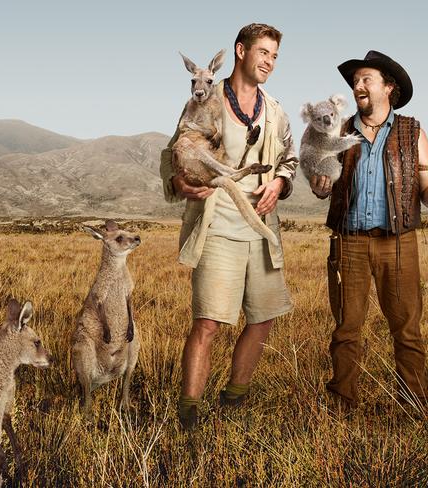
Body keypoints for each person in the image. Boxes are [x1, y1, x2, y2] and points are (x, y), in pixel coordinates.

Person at [159, 23, 297, 428]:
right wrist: (179, 182)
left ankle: (234, 398)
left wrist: (280, 182)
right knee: (208, 321)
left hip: (261, 224)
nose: (269, 62)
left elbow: (289, 159)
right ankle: (189, 411)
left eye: (274, 55)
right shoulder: (206, 100)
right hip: (217, 220)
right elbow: (174, 153)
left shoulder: (275, 110)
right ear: (240, 51)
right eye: (263, 52)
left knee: (263, 316)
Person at [310, 50, 428, 410]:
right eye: (355, 80)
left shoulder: (412, 132)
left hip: (399, 244)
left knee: (407, 330)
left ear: (388, 88)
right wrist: (320, 183)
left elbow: (427, 195)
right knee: (346, 330)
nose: (357, 86)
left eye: (366, 80)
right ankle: (342, 406)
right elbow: (321, 188)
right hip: (348, 243)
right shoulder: (339, 131)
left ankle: (413, 406)